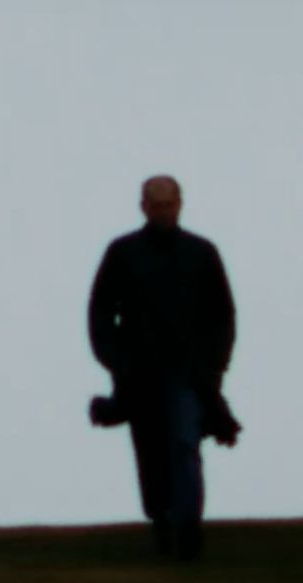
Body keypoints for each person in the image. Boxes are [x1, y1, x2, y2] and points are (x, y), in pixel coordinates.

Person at [87, 175, 238, 560]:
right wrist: (118, 362)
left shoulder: (202, 253)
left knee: (184, 444)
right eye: (156, 206)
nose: (163, 212)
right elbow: (100, 314)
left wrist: (213, 368)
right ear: (144, 207)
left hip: (190, 374)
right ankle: (162, 524)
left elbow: (222, 316)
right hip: (139, 374)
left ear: (180, 204)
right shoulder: (122, 253)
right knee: (151, 452)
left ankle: (187, 530)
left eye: (168, 205)